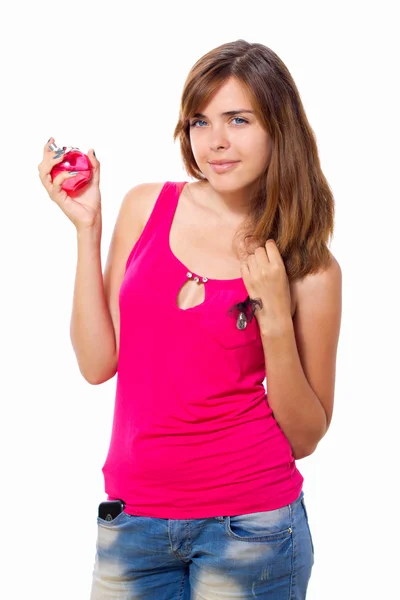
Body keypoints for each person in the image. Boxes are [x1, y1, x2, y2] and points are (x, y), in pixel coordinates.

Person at [38, 39, 342, 600]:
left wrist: (274, 317)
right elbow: (97, 362)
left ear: (280, 127)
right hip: (133, 521)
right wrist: (87, 230)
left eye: (239, 119)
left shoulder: (308, 266)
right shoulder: (145, 206)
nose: (216, 142)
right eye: (200, 122)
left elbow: (304, 437)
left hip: (251, 527)